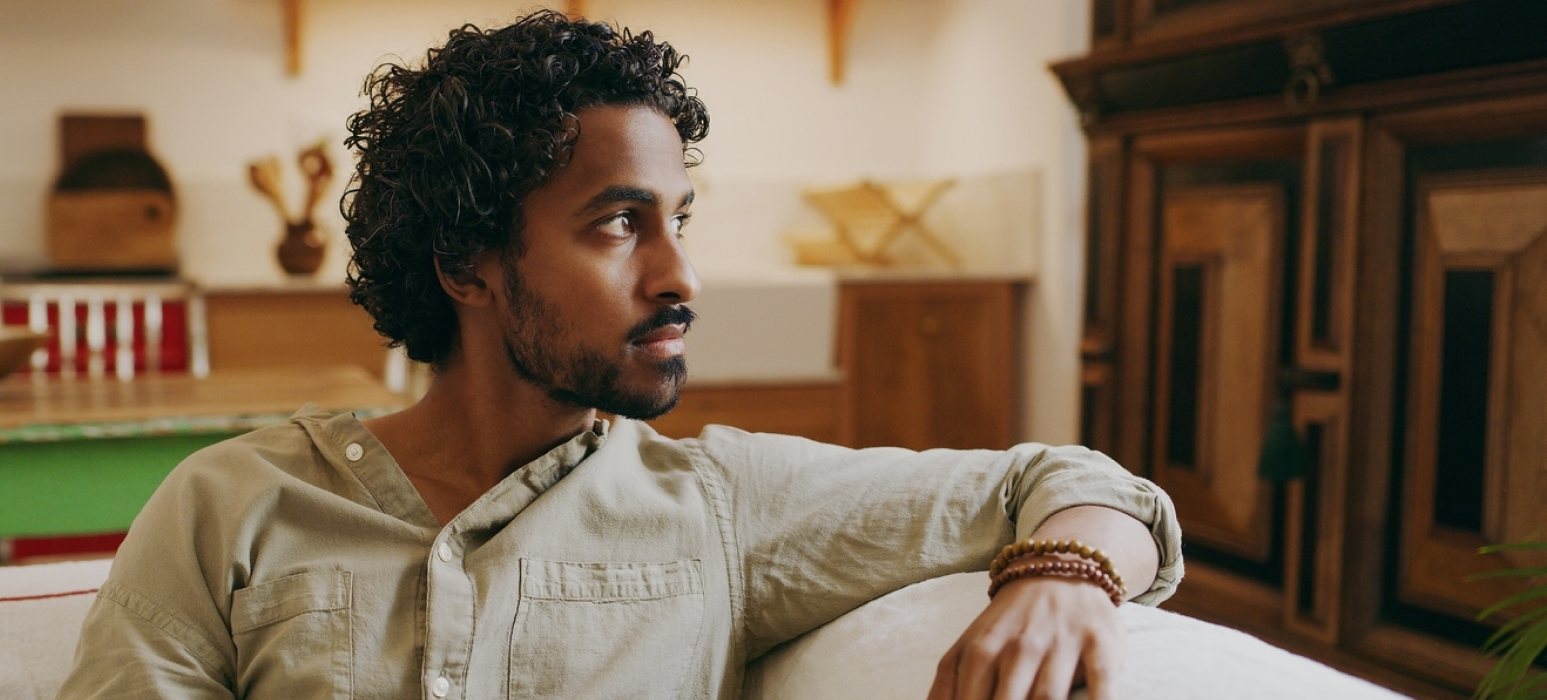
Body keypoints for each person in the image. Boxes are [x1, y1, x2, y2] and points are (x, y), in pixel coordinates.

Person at [58, 11, 1181, 700]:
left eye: (679, 220)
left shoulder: (726, 504)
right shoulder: (230, 505)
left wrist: (1066, 580)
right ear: (467, 263)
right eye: (617, 223)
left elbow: (1076, 484)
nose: (679, 276)